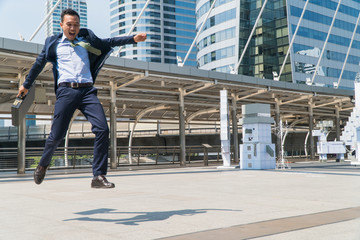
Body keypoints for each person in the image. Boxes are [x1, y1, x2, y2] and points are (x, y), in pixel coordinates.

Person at [17, 8, 147, 188]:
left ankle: (98, 176)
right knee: (57, 135)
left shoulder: (87, 40)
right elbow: (39, 63)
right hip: (66, 91)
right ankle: (42, 165)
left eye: (76, 25)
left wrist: (132, 39)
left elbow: (109, 41)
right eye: (69, 24)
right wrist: (26, 84)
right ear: (61, 25)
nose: (73, 28)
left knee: (102, 129)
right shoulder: (53, 43)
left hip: (87, 92)